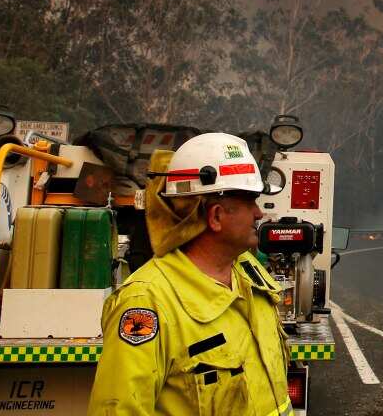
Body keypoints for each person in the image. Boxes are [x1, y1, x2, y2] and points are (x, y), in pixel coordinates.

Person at [88, 132, 291, 416]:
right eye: (250, 202)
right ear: (216, 216)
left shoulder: (249, 274)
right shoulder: (147, 302)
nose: (259, 213)